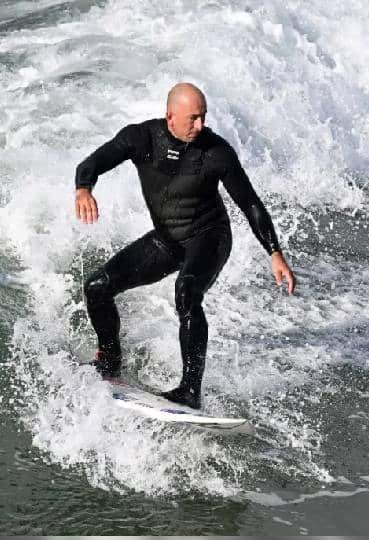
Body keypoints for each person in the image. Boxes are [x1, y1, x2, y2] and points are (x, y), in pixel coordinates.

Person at [74, 82, 296, 409]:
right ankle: (109, 360)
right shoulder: (141, 138)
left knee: (187, 291)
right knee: (97, 287)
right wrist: (83, 189)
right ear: (170, 116)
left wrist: (274, 253)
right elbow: (93, 162)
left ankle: (190, 391)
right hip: (168, 240)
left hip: (210, 237)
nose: (200, 125)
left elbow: (250, 203)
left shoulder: (216, 151)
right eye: (193, 118)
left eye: (203, 117)